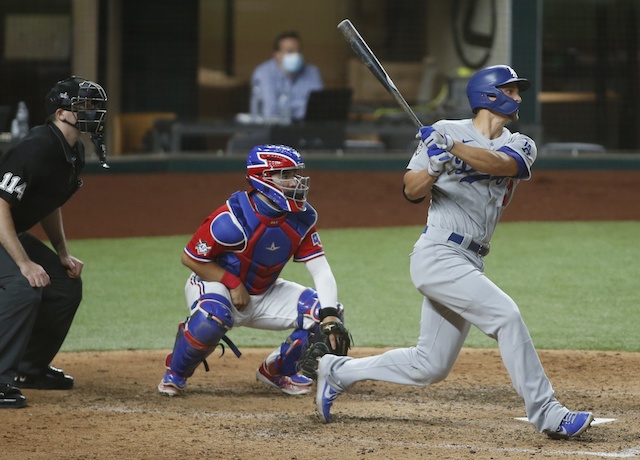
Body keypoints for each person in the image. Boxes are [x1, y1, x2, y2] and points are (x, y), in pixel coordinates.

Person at [314, 65, 595, 440]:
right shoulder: (445, 130)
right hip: (437, 254)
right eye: (511, 91)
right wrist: (433, 165)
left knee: (429, 365)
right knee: (506, 316)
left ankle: (336, 371)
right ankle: (547, 413)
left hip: (470, 259)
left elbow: (502, 164)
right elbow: (411, 191)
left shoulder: (519, 143)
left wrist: (452, 149)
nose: (518, 98)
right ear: (489, 94)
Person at [158, 143, 346, 397]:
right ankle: (176, 373)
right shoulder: (231, 219)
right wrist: (232, 283)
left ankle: (277, 371)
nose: (295, 182)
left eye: (295, 174)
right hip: (217, 287)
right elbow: (191, 259)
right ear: (263, 178)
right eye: (286, 175)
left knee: (326, 311)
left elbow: (321, 271)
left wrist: (329, 314)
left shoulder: (302, 217)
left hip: (263, 291)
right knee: (211, 318)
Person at [0, 76, 108, 408]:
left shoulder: (73, 150)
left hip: (5, 232)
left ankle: (29, 369)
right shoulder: (36, 148)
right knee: (24, 287)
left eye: (96, 106)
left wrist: (62, 252)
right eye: (86, 106)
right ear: (62, 113)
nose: (94, 113)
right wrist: (24, 262)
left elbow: (50, 202)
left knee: (64, 283)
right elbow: (0, 203)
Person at [250, 31, 323, 123]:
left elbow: (317, 109)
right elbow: (269, 112)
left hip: (305, 128)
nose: (296, 55)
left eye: (298, 51)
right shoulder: (264, 73)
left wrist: (287, 109)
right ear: (277, 55)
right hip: (271, 129)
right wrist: (299, 109)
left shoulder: (312, 72)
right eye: (290, 51)